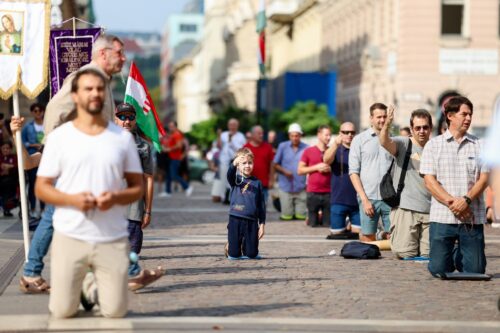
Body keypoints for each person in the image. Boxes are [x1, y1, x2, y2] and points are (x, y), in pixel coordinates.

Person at [20, 34, 126, 294]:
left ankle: (103, 273)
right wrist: (58, 147)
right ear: (103, 54)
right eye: (119, 53)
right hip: (74, 162)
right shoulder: (88, 78)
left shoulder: (101, 80)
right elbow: (55, 109)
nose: (123, 58)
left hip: (89, 162)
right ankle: (33, 272)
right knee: (57, 216)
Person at [35, 68, 143, 318]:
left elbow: (137, 186)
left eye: (99, 89)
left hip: (111, 237)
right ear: (75, 95)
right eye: (88, 88)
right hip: (70, 235)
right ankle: (82, 289)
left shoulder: (121, 139)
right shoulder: (60, 138)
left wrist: (114, 197)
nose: (95, 93)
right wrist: (72, 199)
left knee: (115, 312)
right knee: (62, 311)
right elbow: (42, 187)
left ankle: (92, 288)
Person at [420, 96, 488, 277]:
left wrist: (466, 200)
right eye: (464, 114)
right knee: (438, 270)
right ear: (450, 115)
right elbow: (429, 181)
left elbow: (485, 178)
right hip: (443, 217)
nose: (468, 118)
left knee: (475, 271)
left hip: (471, 217)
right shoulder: (433, 145)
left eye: (470, 114)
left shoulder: (480, 145)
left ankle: (464, 255)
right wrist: (454, 204)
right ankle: (450, 254)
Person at [113, 103, 163, 291]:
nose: (126, 121)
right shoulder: (105, 141)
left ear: (135, 120)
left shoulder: (144, 146)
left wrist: (148, 210)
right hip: (110, 204)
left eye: (130, 117)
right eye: (122, 117)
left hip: (134, 206)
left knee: (133, 245)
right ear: (115, 118)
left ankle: (131, 276)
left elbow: (149, 179)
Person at [379, 107, 433, 258]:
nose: (421, 131)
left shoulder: (436, 147)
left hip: (431, 210)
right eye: (418, 128)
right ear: (411, 129)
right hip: (406, 208)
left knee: (428, 255)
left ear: (431, 128)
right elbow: (384, 141)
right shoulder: (404, 143)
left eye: (425, 127)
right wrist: (387, 124)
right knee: (405, 253)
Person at [349, 103, 393, 242]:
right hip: (369, 197)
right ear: (371, 118)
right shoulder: (359, 140)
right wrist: (364, 199)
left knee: (394, 237)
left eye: (384, 116)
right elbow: (353, 172)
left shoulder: (392, 140)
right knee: (368, 237)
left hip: (390, 198)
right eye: (378, 117)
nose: (382, 120)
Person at [226, 148, 265, 259]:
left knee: (252, 254)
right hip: (235, 218)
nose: (247, 166)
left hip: (252, 220)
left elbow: (261, 205)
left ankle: (247, 246)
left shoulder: (257, 183)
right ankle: (230, 245)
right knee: (233, 255)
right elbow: (229, 173)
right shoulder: (234, 179)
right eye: (244, 163)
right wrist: (234, 163)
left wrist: (262, 224)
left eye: (250, 163)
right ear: (238, 165)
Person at [323, 122, 360, 239]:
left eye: (352, 132)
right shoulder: (335, 149)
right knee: (337, 235)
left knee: (359, 235)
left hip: (357, 201)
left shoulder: (360, 149)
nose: (349, 135)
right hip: (338, 200)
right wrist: (335, 144)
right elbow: (326, 160)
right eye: (345, 132)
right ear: (340, 134)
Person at [298, 125, 332, 227]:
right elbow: (300, 170)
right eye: (326, 135)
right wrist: (316, 167)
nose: (329, 137)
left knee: (328, 225)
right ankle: (311, 218)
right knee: (312, 225)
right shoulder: (308, 151)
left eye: (330, 135)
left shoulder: (332, 151)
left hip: (329, 193)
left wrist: (331, 169)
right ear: (319, 135)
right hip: (313, 193)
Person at [273, 123, 308, 220]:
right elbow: (275, 163)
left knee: (301, 216)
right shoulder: (282, 146)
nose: (294, 138)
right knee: (287, 216)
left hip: (301, 186)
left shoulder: (307, 148)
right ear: (289, 136)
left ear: (300, 135)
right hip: (285, 186)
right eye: (292, 136)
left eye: (297, 135)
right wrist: (284, 171)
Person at [21, 103, 46, 217]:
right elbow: (23, 141)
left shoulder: (47, 125)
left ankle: (43, 208)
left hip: (46, 158)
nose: (38, 113)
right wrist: (32, 144)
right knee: (32, 184)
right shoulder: (28, 126)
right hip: (33, 156)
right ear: (32, 112)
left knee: (44, 184)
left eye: (40, 110)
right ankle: (32, 208)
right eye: (35, 111)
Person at [159, 121, 193, 197]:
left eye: (172, 126)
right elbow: (168, 143)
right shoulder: (172, 135)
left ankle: (187, 187)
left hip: (175, 158)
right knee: (168, 174)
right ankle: (168, 191)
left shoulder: (177, 134)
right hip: (170, 157)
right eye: (169, 126)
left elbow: (179, 146)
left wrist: (169, 149)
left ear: (175, 127)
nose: (170, 128)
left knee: (174, 175)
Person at [243, 125, 275, 202]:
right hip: (249, 184)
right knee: (249, 208)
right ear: (252, 134)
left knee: (262, 208)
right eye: (259, 133)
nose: (261, 135)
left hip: (263, 184)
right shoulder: (245, 148)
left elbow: (272, 164)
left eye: (262, 133)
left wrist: (272, 180)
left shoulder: (268, 147)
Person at [218, 119, 246, 203]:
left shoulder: (241, 136)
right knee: (224, 179)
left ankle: (233, 197)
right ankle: (225, 197)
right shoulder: (223, 134)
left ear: (237, 126)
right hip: (224, 160)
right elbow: (219, 146)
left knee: (235, 178)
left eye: (234, 124)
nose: (232, 126)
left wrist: (231, 142)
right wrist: (218, 136)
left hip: (236, 160)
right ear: (228, 125)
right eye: (231, 124)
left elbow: (241, 149)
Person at [0, 141, 17, 217]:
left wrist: (10, 167)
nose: (6, 150)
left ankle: (7, 207)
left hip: (11, 181)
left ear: (10, 149)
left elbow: (17, 166)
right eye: (4, 148)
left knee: (8, 183)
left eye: (8, 148)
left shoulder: (14, 157)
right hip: (1, 179)